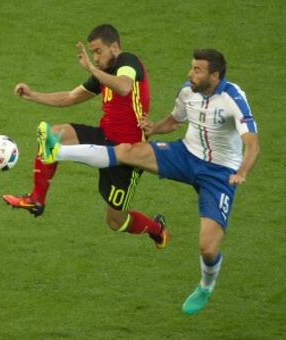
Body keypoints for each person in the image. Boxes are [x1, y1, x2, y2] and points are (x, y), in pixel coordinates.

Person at [37, 49, 260, 315]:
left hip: (220, 173)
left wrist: (242, 171)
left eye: (197, 70)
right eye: (191, 67)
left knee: (207, 247)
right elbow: (175, 120)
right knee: (127, 151)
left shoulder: (233, 98)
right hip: (186, 155)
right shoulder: (187, 91)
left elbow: (252, 143)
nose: (190, 73)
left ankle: (205, 285)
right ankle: (57, 151)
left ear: (215, 75)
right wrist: (154, 128)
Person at [3, 24, 169, 249]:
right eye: (93, 53)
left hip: (129, 154)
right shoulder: (102, 73)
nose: (96, 57)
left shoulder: (127, 61)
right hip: (104, 137)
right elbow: (70, 97)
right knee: (52, 135)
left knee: (115, 221)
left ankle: (157, 230)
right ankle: (36, 199)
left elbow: (124, 87)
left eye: (98, 51)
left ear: (115, 47)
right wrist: (33, 95)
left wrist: (92, 69)